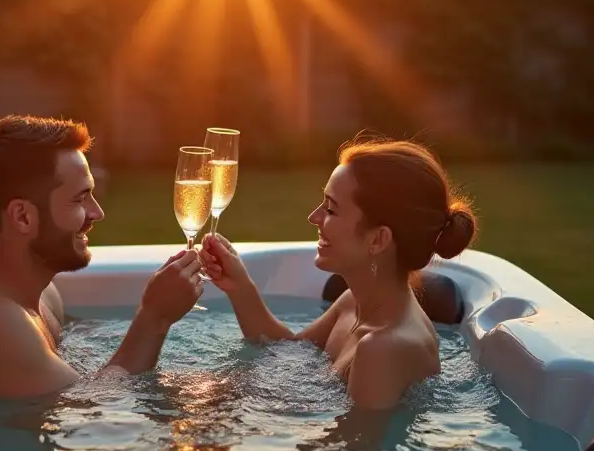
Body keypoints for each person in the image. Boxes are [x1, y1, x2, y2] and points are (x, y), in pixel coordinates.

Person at [0, 115, 205, 398]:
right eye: (80, 199)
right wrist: (154, 317)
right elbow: (93, 414)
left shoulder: (39, 294)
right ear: (23, 216)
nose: (97, 213)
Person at [200, 136, 477, 411]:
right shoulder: (353, 304)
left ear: (378, 240)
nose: (314, 217)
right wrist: (239, 286)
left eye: (331, 208)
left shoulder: (382, 349)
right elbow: (286, 350)